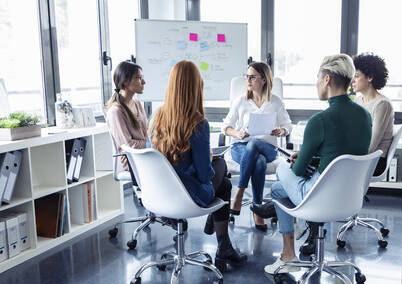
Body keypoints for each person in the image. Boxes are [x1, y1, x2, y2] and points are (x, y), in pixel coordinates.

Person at [253, 54, 372, 274]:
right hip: (349, 199)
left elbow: (297, 171)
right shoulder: (365, 116)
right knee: (280, 190)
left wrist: (300, 159)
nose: (316, 84)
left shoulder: (319, 121)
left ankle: (288, 255)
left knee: (282, 169)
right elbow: (342, 156)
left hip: (319, 199)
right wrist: (314, 155)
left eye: (317, 78)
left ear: (327, 79)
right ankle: (289, 245)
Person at [150, 60, 247, 271]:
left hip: (160, 195)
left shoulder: (156, 118)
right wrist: (209, 157)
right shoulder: (198, 123)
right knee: (221, 167)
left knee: (225, 186)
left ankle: (224, 245)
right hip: (189, 196)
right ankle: (223, 246)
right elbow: (205, 176)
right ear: (196, 87)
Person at [222, 61, 292, 231]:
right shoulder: (241, 101)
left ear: (264, 79)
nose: (248, 80)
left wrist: (281, 131)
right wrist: (238, 133)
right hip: (241, 147)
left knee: (255, 145)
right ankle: (258, 210)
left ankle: (239, 193)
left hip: (268, 148)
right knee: (258, 160)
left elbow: (288, 125)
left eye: (252, 77)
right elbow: (226, 126)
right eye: (247, 76)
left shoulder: (276, 102)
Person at [352, 52, 394, 176]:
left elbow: (372, 145)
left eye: (357, 76)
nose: (352, 80)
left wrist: (350, 157)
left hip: (374, 161)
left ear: (370, 77)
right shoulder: (357, 100)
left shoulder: (382, 104)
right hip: (360, 156)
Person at [105, 61, 148, 170]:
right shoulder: (115, 111)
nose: (143, 82)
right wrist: (149, 144)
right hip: (134, 161)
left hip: (146, 155)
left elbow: (146, 133)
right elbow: (127, 145)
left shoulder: (137, 103)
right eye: (138, 78)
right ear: (124, 82)